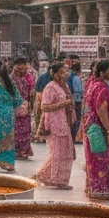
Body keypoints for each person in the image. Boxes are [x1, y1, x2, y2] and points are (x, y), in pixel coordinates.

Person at [34, 62, 75, 190]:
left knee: (66, 153)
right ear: (55, 74)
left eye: (66, 72)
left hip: (63, 122)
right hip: (53, 123)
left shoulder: (64, 86)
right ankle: (48, 177)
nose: (66, 74)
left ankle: (59, 179)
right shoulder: (50, 87)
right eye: (63, 72)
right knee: (57, 153)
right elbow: (44, 107)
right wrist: (64, 104)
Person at [83, 60, 109, 199]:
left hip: (92, 127)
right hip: (101, 129)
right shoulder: (101, 88)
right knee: (102, 160)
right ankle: (100, 191)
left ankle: (92, 188)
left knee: (93, 159)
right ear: (102, 73)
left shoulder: (92, 85)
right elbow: (101, 110)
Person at [11, 57, 35, 160]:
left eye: (24, 65)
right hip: (15, 107)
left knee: (26, 130)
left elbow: (30, 92)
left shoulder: (27, 77)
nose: (23, 68)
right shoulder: (11, 78)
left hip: (26, 107)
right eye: (20, 65)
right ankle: (17, 151)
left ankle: (24, 151)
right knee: (17, 130)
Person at [68, 59, 84, 140]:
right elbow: (78, 90)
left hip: (71, 99)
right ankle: (76, 135)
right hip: (77, 100)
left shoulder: (70, 75)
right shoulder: (76, 77)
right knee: (77, 117)